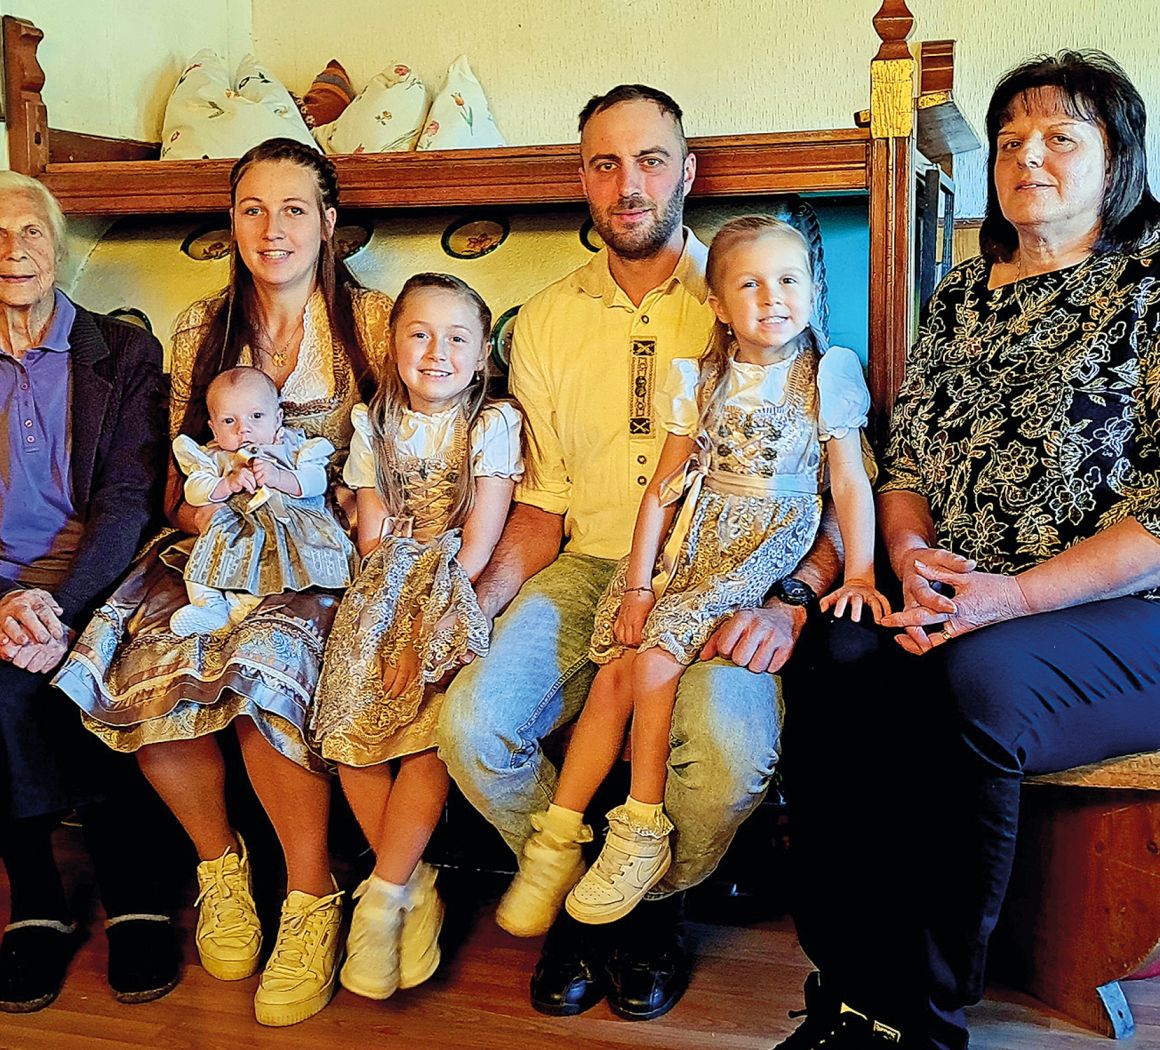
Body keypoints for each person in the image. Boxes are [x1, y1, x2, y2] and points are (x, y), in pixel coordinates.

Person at [437, 85, 848, 1022]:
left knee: (731, 751)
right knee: (474, 725)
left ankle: (647, 901)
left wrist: (793, 596)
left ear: (687, 172)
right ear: (582, 179)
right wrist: (475, 605)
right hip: (590, 567)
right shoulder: (545, 320)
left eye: (651, 160)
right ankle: (585, 883)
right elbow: (539, 502)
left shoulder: (758, 290)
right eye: (605, 164)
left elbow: (831, 491)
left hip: (723, 577)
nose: (629, 184)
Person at [776, 51, 1160, 1050]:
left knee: (975, 684)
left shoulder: (1151, 285)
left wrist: (1012, 597)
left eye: (1060, 137)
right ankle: (850, 991)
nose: (1027, 157)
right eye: (1009, 140)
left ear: (1118, 159)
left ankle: (921, 1021)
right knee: (837, 650)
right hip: (960, 593)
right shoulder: (959, 296)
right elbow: (906, 463)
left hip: (1122, 610)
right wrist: (908, 559)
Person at [53, 138, 391, 1027]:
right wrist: (212, 509)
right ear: (231, 222)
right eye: (252, 209)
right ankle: (221, 866)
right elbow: (175, 487)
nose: (272, 229)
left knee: (261, 664)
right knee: (153, 658)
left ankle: (311, 898)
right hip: (217, 545)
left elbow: (406, 463)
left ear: (329, 222)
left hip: (326, 556)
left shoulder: (375, 323)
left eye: (293, 209)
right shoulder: (202, 326)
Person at [499, 217, 882, 935]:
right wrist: (639, 584)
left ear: (813, 290)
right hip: (694, 538)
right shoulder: (700, 378)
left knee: (654, 661)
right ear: (718, 304)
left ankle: (640, 824)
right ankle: (556, 837)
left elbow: (849, 483)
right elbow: (663, 490)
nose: (773, 298)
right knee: (615, 669)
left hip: (761, 544)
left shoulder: (828, 375)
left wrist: (858, 571)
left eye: (789, 280)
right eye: (750, 284)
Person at [0, 170, 178, 1012]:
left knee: (92, 681)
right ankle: (36, 906)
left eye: (31, 231)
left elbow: (130, 503)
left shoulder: (124, 354)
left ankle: (133, 894)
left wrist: (62, 607)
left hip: (104, 581)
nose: (15, 249)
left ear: (57, 249)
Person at [311, 273, 524, 1000]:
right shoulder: (373, 424)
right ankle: (407, 880)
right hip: (385, 580)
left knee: (428, 724)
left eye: (457, 338)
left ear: (482, 353)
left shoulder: (491, 424)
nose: (437, 352)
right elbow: (373, 533)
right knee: (348, 720)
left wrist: (427, 616)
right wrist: (382, 602)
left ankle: (379, 902)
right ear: (393, 344)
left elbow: (481, 541)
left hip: (454, 582)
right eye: (420, 334)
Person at [169, 365, 353, 637]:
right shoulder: (213, 457)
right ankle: (210, 606)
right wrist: (226, 484)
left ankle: (248, 606)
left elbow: (316, 482)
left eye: (256, 416)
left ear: (278, 418)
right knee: (204, 560)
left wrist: (279, 477)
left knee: (282, 566)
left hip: (288, 526)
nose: (243, 429)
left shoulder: (295, 447)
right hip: (236, 528)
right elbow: (194, 491)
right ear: (213, 428)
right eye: (229, 421)